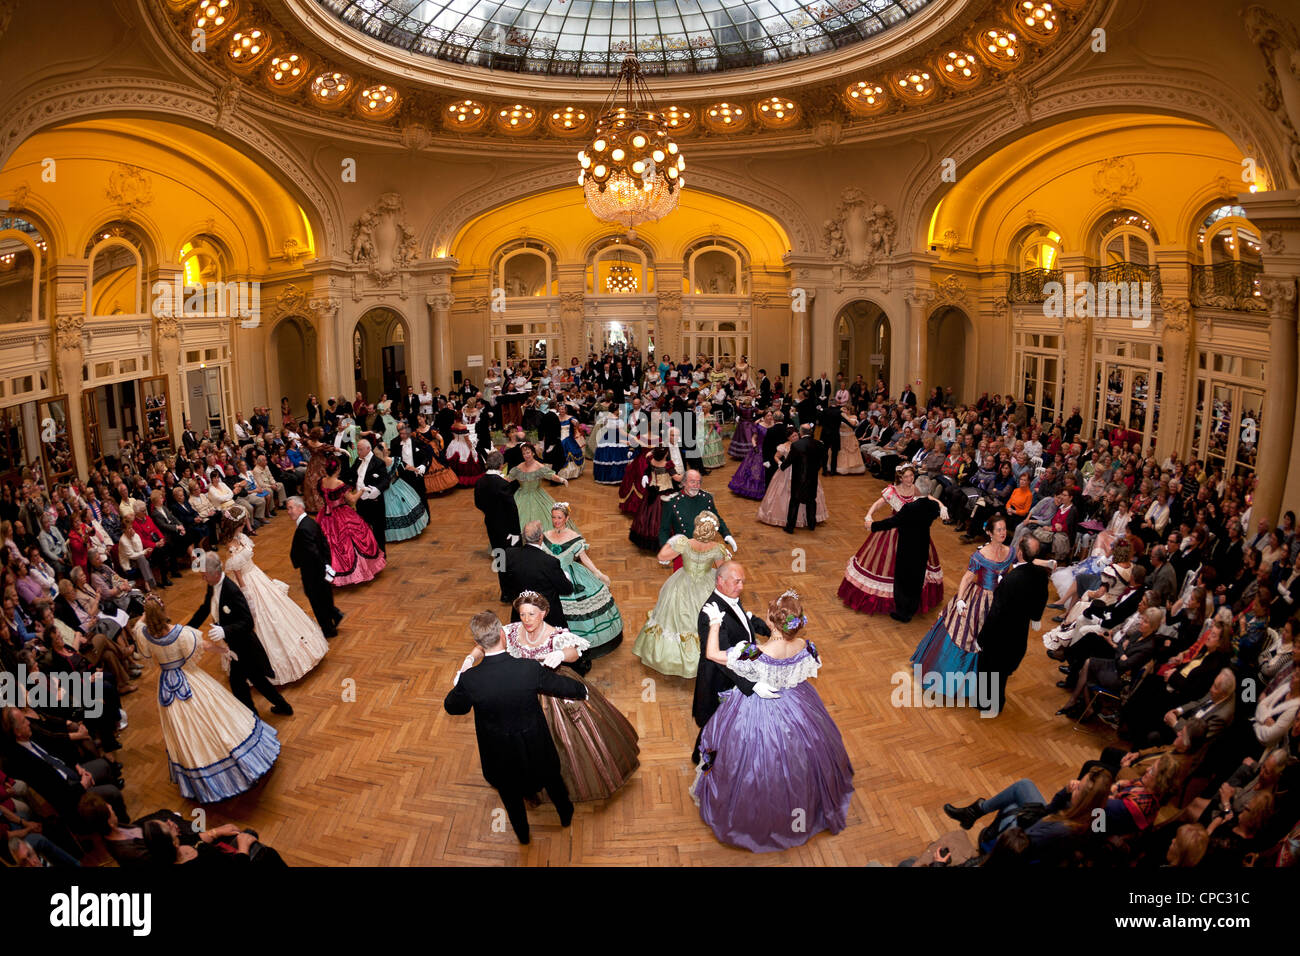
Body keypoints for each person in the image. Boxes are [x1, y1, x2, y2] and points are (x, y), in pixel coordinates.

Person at [691, 590, 854, 852]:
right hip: (797, 704)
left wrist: (714, 623)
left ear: (770, 621)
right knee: (800, 757)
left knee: (750, 759)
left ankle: (753, 818)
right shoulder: (804, 646)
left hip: (758, 711)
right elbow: (806, 666)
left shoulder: (757, 653)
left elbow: (712, 654)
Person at [456, 595, 639, 802]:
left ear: (543, 613)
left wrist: (561, 655)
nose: (527, 619)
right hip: (522, 692)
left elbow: (574, 652)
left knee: (565, 740)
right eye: (523, 614)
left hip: (554, 689)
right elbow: (485, 643)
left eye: (532, 614)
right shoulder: (512, 631)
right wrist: (470, 658)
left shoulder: (555, 634)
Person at [444, 611, 585, 845]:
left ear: (478, 643)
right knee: (552, 781)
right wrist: (583, 691)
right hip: (535, 745)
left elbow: (453, 708)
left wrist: (461, 679)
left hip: (499, 755)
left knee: (510, 796)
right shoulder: (527, 669)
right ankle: (565, 815)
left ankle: (522, 835)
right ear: (502, 634)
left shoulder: (471, 681)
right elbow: (560, 685)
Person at [135, 595, 280, 802]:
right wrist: (226, 650)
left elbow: (139, 628)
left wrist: (145, 613)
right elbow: (204, 645)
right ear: (163, 611)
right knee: (215, 715)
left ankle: (200, 771)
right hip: (189, 679)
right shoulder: (180, 633)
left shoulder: (144, 634)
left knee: (183, 727)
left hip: (167, 684)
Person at [217, 508, 328, 685]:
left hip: (256, 576)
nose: (248, 522)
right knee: (261, 620)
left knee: (278, 612)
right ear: (238, 524)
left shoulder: (242, 538)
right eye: (245, 520)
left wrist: (266, 578)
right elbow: (237, 574)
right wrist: (246, 595)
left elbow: (250, 563)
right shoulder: (231, 546)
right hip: (247, 582)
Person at [911, 513, 1014, 701]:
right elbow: (967, 577)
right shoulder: (980, 556)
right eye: (998, 530)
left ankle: (985, 681)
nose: (1003, 533)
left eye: (1004, 529)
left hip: (1000, 602)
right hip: (980, 599)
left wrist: (1046, 564)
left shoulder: (1010, 551)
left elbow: (1021, 564)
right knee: (967, 634)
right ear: (989, 533)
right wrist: (960, 599)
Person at [187, 552, 293, 717]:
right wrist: (188, 628)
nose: (203, 579)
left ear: (215, 573)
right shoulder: (212, 584)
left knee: (239, 684)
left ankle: (253, 718)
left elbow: (248, 622)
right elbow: (205, 607)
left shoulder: (231, 590)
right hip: (235, 645)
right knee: (256, 680)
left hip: (244, 646)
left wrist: (225, 630)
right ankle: (282, 707)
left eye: (204, 576)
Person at [691, 561, 773, 765]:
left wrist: (769, 629)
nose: (741, 587)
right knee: (713, 722)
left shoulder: (730, 597)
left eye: (743, 582)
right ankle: (700, 756)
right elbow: (722, 659)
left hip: (737, 673)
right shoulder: (710, 613)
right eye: (737, 582)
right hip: (720, 680)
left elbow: (742, 623)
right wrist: (751, 685)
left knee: (726, 723)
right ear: (720, 581)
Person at [838, 465, 944, 618]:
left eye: (911, 476)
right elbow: (879, 503)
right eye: (906, 477)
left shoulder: (917, 488)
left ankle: (904, 603)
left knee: (908, 570)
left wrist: (942, 506)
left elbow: (929, 497)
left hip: (911, 532)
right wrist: (869, 515)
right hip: (895, 530)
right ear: (900, 478)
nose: (910, 479)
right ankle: (903, 602)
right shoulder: (893, 491)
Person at [633, 511, 730, 679]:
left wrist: (671, 543)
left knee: (673, 620)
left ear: (697, 526)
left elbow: (662, 557)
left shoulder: (684, 543)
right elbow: (723, 572)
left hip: (681, 584)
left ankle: (674, 659)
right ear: (713, 530)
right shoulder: (717, 548)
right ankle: (708, 655)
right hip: (707, 586)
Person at [975, 536, 1051, 716]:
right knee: (1001, 673)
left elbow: (996, 613)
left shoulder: (1011, 580)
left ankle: (985, 703)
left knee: (989, 670)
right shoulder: (1041, 574)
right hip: (1018, 633)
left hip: (999, 635)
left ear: (1020, 553)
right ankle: (996, 702)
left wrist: (982, 638)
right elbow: (1042, 596)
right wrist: (1036, 617)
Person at [543, 503, 623, 658]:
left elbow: (584, 558)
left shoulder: (574, 538)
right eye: (553, 517)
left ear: (567, 518)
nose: (556, 521)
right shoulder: (545, 535)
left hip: (572, 577)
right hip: (551, 577)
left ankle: (576, 643)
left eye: (559, 517)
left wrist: (598, 574)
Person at [865, 492, 945, 623]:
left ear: (918, 489)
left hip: (907, 548)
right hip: (923, 546)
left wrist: (873, 526)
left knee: (903, 579)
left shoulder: (909, 508)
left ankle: (903, 613)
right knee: (917, 577)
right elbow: (936, 512)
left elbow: (892, 522)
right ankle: (912, 608)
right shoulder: (933, 505)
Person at [318, 457, 386, 587]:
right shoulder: (339, 484)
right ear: (337, 469)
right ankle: (358, 572)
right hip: (341, 514)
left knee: (330, 543)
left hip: (326, 515)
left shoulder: (322, 481)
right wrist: (362, 490)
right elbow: (353, 500)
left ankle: (329, 572)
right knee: (352, 540)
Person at [502, 521, 574, 630]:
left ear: (524, 537)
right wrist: (566, 576)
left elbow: (506, 582)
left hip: (521, 615)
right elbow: (566, 589)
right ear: (541, 537)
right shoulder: (549, 562)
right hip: (547, 618)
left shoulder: (509, 554)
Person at [286, 496, 341, 638]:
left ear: (300, 507)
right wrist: (327, 565)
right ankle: (334, 614)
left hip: (313, 572)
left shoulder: (303, 528)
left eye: (291, 508)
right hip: (320, 570)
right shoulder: (310, 522)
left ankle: (329, 630)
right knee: (324, 597)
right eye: (287, 508)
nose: (289, 511)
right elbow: (324, 544)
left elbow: (313, 553)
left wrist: (322, 569)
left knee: (317, 601)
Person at [659, 470, 738, 568]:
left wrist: (726, 535)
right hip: (683, 553)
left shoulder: (706, 498)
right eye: (692, 482)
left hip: (704, 551)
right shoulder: (672, 502)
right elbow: (664, 529)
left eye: (698, 482)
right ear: (683, 482)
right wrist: (665, 549)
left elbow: (716, 519)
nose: (696, 485)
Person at [474, 451, 521, 603]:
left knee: (500, 558)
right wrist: (515, 532)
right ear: (502, 465)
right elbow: (512, 510)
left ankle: (505, 594)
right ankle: (515, 592)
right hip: (507, 529)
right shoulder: (503, 484)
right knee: (512, 559)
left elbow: (478, 503)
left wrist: (490, 512)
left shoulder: (480, 482)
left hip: (491, 525)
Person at [507, 442, 572, 533]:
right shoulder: (519, 467)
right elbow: (509, 479)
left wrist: (561, 479)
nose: (526, 455)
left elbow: (551, 476)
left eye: (528, 452)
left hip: (537, 495)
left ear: (533, 453)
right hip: (520, 496)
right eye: (524, 453)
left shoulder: (539, 466)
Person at [373, 439, 428, 543]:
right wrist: (416, 469)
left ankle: (389, 535)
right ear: (385, 451)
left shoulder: (376, 463)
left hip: (385, 489)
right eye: (386, 447)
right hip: (395, 486)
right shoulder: (393, 460)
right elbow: (407, 467)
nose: (387, 449)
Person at [628, 446, 679, 551]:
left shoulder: (652, 461)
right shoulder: (668, 465)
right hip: (665, 492)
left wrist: (645, 475)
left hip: (652, 491)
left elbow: (647, 469)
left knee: (648, 516)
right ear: (665, 454)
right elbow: (676, 478)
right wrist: (688, 476)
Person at [778, 423, 825, 534]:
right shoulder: (819, 444)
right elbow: (823, 459)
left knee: (794, 501)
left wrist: (782, 467)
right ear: (811, 432)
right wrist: (816, 470)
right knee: (811, 501)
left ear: (801, 432)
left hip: (798, 478)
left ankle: (790, 527)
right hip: (813, 477)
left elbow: (789, 460)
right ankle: (812, 524)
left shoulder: (796, 445)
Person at [350, 438, 390, 556]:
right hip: (360, 502)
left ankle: (382, 556)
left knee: (378, 531)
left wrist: (377, 490)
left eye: (361, 449)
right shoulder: (358, 461)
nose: (358, 452)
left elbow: (386, 481)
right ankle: (368, 556)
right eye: (358, 449)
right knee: (363, 530)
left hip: (375, 502)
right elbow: (352, 475)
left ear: (368, 449)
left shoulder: (378, 462)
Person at [728, 413, 774, 500]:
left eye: (771, 416)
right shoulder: (759, 426)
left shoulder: (774, 425)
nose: (770, 417)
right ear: (764, 417)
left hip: (770, 450)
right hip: (759, 450)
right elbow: (753, 438)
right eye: (768, 415)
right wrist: (755, 447)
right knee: (754, 470)